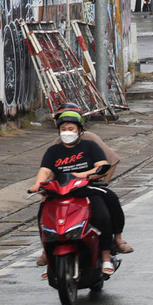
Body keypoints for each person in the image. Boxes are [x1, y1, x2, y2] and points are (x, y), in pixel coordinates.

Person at [31, 106, 132, 276]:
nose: (67, 132)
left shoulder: (90, 145)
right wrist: (37, 184)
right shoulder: (53, 150)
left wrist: (83, 175)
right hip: (61, 191)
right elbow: (46, 170)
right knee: (44, 216)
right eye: (63, 129)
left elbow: (102, 166)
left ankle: (107, 255)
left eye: (70, 129)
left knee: (105, 211)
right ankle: (49, 257)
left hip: (86, 189)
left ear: (79, 129)